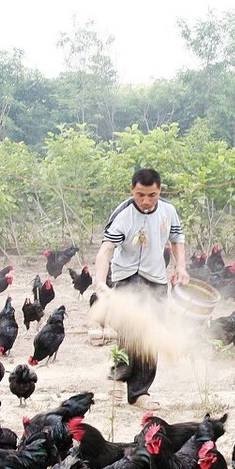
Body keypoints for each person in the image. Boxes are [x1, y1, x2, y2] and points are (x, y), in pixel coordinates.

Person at [93, 168, 189, 408]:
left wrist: (181, 267)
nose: (146, 201)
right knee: (130, 330)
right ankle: (118, 377)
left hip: (156, 279)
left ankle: (139, 393)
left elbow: (177, 240)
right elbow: (106, 250)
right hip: (127, 278)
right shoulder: (123, 215)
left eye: (152, 195)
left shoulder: (169, 212)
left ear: (160, 191)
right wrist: (99, 282)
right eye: (140, 195)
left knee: (151, 335)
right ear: (132, 190)